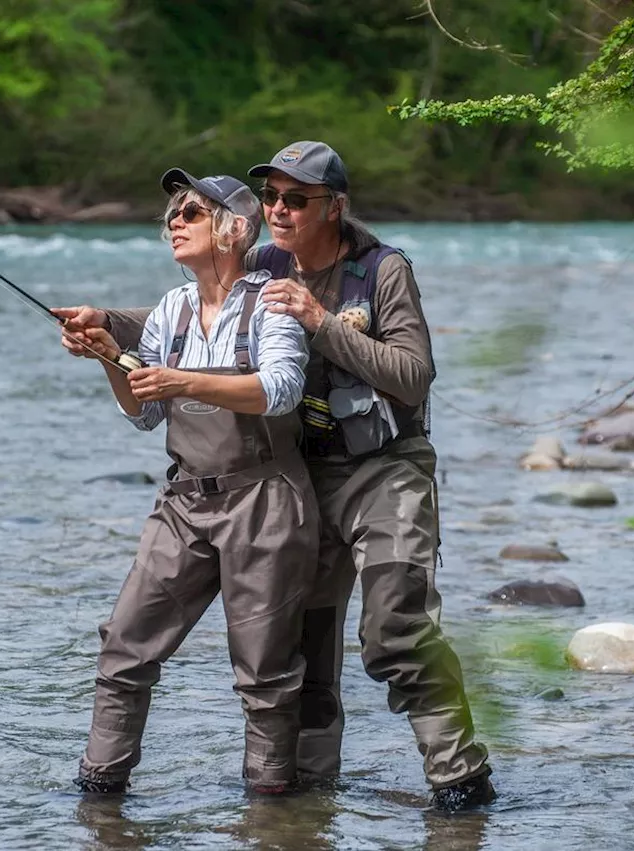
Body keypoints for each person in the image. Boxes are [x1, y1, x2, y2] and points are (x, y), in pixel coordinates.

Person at [56, 142, 495, 811]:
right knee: (304, 647)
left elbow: (413, 375)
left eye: (297, 199)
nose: (280, 209)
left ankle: (461, 782)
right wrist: (106, 326)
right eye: (271, 197)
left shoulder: (382, 271)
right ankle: (308, 802)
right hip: (303, 473)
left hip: (384, 469)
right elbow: (190, 314)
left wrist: (319, 322)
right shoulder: (262, 262)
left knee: (395, 629)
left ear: (335, 207)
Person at [59, 169, 319, 795]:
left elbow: (280, 392)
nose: (174, 221)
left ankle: (271, 810)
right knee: (124, 647)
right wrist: (107, 358)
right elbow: (145, 414)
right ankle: (99, 795)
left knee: (264, 674)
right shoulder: (171, 309)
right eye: (172, 213)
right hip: (184, 501)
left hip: (265, 501)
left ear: (234, 231)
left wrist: (181, 380)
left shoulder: (273, 301)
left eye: (192, 213)